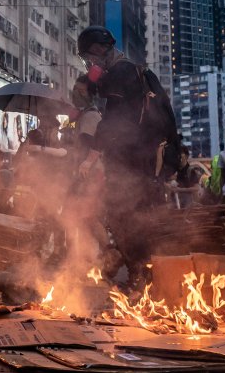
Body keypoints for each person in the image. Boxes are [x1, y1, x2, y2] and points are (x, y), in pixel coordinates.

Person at [78, 25, 178, 288]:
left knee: (123, 214)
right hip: (146, 161)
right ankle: (148, 275)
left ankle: (139, 276)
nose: (90, 64)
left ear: (99, 51)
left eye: (89, 58)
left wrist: (92, 156)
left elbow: (112, 122)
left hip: (129, 160)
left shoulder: (119, 73)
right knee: (141, 215)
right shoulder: (138, 71)